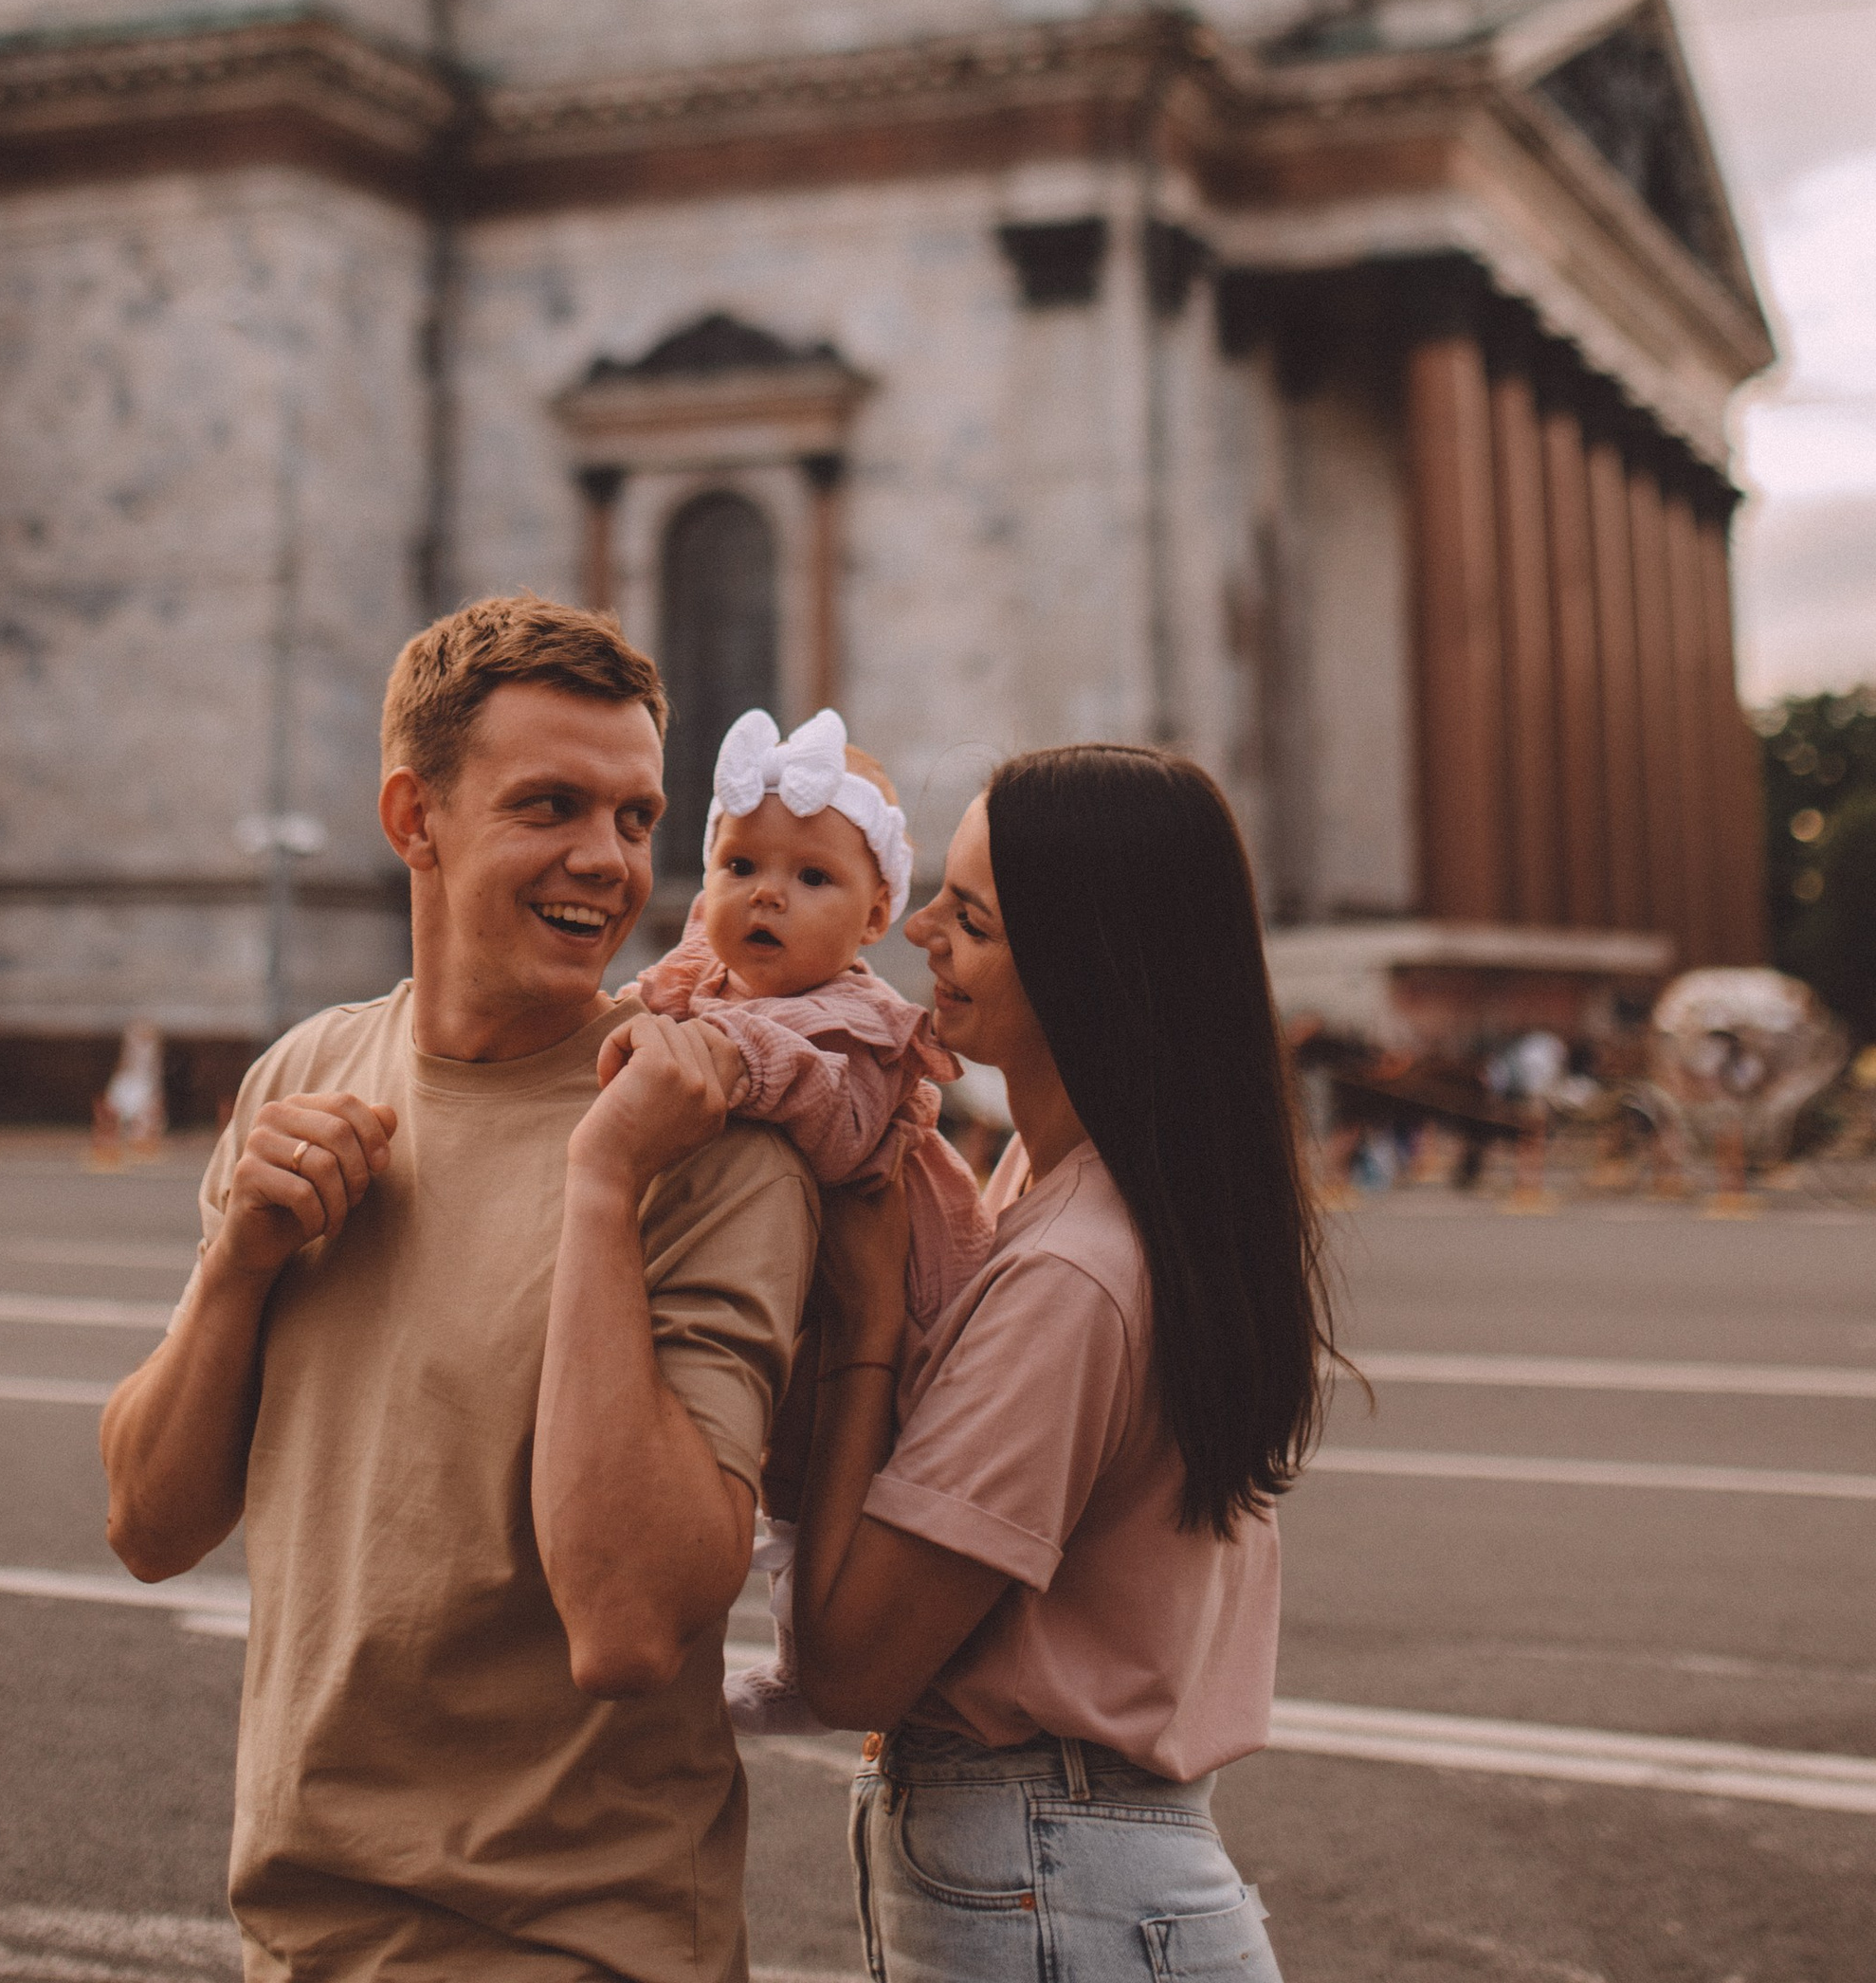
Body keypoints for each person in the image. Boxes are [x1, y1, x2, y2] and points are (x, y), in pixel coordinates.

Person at [99, 594, 818, 1983]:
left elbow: (636, 1621)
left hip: (576, 1946)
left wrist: (601, 1185)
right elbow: (148, 1521)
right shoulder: (304, 1076)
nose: (605, 864)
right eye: (550, 806)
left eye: (634, 818)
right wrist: (240, 1268)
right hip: (305, 1936)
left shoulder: (704, 1137)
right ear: (413, 820)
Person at [791, 744, 1336, 1982]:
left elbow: (850, 1662)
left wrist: (868, 1325)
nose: (918, 923)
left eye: (970, 918)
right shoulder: (1070, 1187)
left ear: (1087, 966)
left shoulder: (1074, 1271)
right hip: (1077, 1873)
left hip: (1055, 1880)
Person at [616, 703, 989, 1732]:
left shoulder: (861, 1023)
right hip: (789, 1295)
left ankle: (810, 1654)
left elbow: (841, 1117)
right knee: (765, 1459)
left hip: (885, 1309)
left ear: (875, 917)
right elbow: (658, 996)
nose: (766, 893)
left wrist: (738, 1059)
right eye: (739, 866)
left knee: (836, 1477)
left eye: (811, 878)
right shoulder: (712, 978)